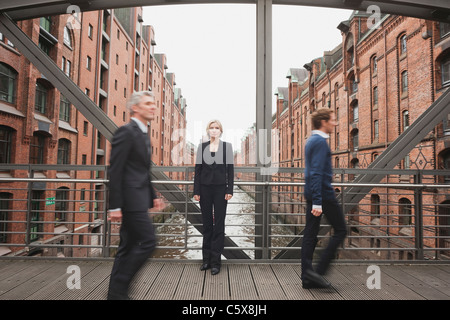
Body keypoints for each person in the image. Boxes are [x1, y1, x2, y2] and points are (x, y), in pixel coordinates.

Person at [107, 91, 165, 300]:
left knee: (127, 247)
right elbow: (116, 170)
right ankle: (121, 286)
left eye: (154, 103)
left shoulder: (142, 133)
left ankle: (115, 295)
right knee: (149, 242)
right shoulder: (126, 131)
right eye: (148, 103)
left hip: (139, 197)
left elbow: (142, 169)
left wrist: (153, 195)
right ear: (135, 108)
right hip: (130, 201)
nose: (153, 107)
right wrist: (114, 206)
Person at [301, 108, 347, 289]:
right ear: (323, 122)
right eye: (333, 120)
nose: (335, 123)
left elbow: (312, 173)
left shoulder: (311, 140)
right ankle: (318, 271)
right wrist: (318, 201)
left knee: (310, 234)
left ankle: (307, 276)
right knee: (341, 229)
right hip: (323, 195)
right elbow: (316, 173)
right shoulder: (320, 142)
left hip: (313, 193)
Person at [194, 120, 234, 275]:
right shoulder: (202, 147)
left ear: (220, 131)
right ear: (208, 130)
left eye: (217, 128)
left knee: (219, 225)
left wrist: (229, 190)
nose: (214, 130)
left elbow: (230, 171)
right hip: (204, 190)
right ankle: (206, 260)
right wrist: (196, 191)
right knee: (207, 225)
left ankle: (216, 262)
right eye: (211, 128)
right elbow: (197, 170)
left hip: (220, 190)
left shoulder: (227, 147)